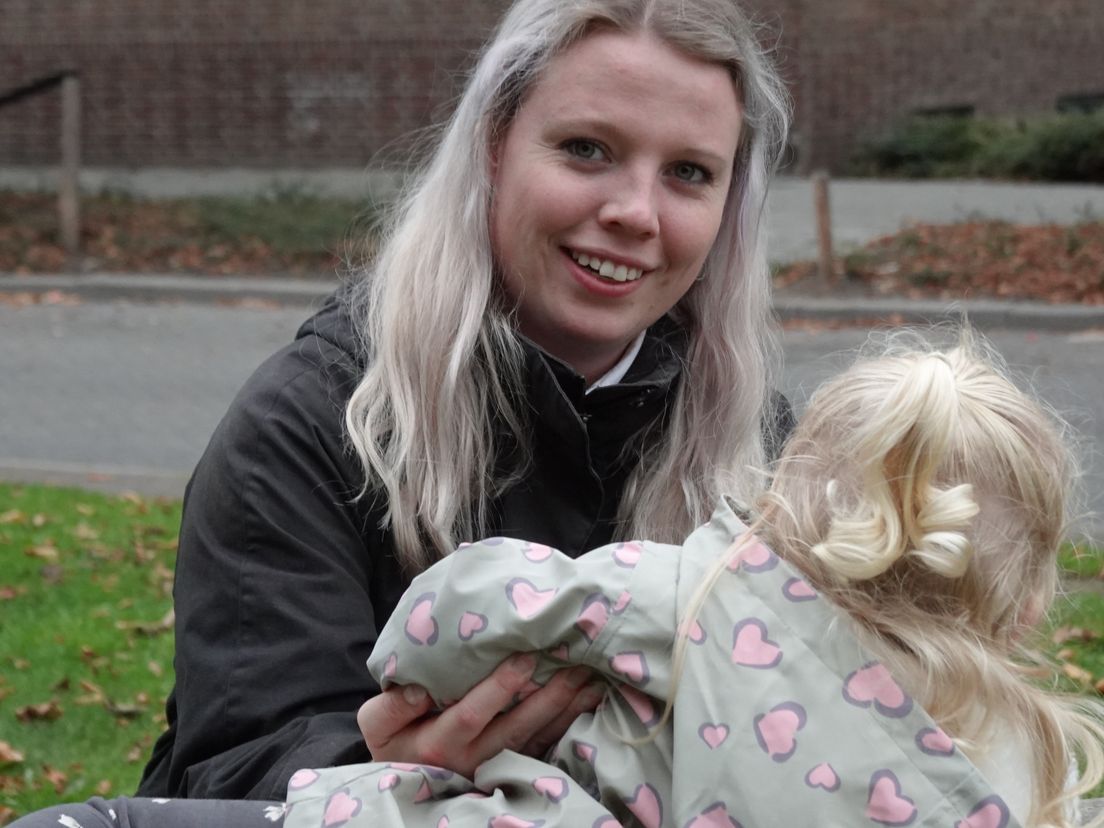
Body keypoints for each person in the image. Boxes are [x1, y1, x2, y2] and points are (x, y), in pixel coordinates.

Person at [19, 335, 1104, 828]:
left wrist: (425, 659)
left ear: (783, 499)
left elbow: (468, 610)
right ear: (1024, 600)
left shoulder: (699, 596)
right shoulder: (1039, 753)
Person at [137, 0, 793, 806]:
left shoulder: (763, 453)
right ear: (493, 146)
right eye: (586, 150)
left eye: (689, 173)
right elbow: (238, 772)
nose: (635, 212)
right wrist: (381, 777)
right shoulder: (311, 425)